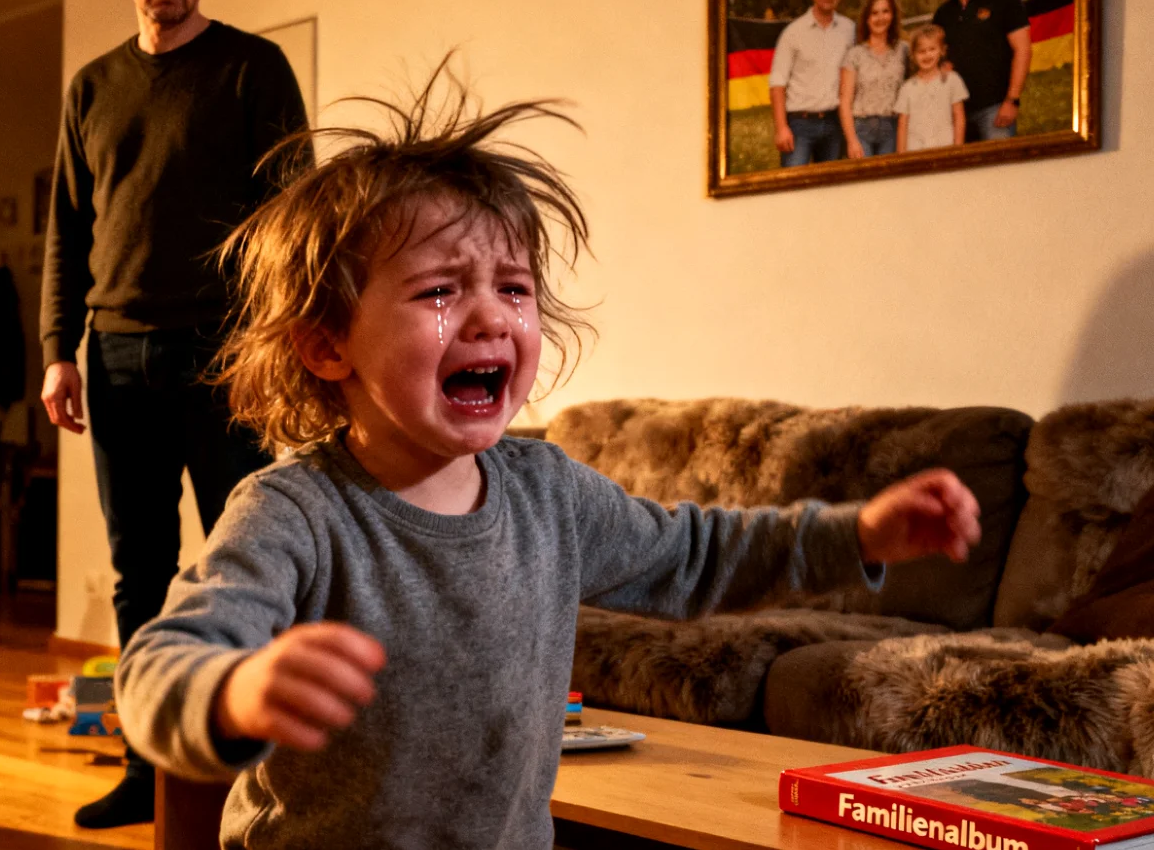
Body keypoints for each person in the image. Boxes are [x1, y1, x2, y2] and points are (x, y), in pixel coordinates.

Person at [115, 68, 984, 849]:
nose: (493, 315)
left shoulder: (549, 492)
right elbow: (159, 664)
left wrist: (857, 535)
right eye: (441, 289)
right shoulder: (293, 513)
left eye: (515, 287)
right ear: (326, 345)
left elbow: (697, 553)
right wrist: (231, 693)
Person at [37, 0, 310, 828]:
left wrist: (275, 345)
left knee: (247, 559)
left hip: (226, 355)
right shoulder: (91, 88)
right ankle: (145, 764)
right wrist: (56, 350)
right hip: (112, 356)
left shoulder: (254, 69)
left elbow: (293, 219)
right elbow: (68, 230)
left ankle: (254, 772)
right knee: (137, 568)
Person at [931, 0, 1031, 142]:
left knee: (1000, 172)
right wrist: (942, 67)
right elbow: (936, 59)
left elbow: (1023, 50)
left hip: (995, 109)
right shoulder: (943, 13)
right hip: (956, 113)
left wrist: (1012, 100)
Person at [769, 0, 856, 166]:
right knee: (792, 188)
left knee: (830, 191)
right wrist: (782, 128)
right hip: (800, 123)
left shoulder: (849, 29)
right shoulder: (793, 32)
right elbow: (777, 84)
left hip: (834, 123)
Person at [838, 0, 908, 158]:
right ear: (867, 18)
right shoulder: (855, 54)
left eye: (885, 11)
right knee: (865, 181)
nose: (880, 18)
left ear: (893, 15)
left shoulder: (903, 50)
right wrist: (852, 140)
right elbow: (845, 101)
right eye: (874, 13)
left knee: (889, 182)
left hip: (892, 127)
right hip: (862, 128)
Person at [895, 25, 969, 152]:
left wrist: (958, 149)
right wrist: (901, 156)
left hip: (945, 148)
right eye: (921, 51)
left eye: (932, 49)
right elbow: (902, 126)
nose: (927, 55)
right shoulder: (907, 88)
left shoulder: (952, 80)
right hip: (915, 151)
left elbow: (959, 117)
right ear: (913, 55)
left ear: (942, 51)